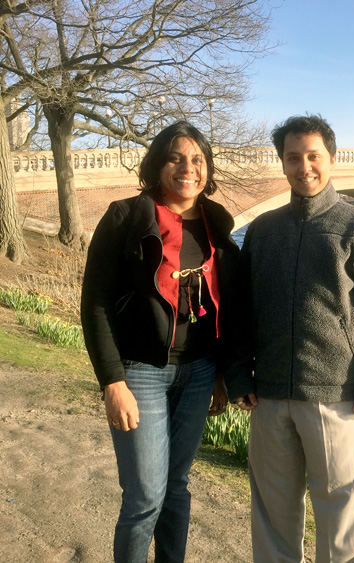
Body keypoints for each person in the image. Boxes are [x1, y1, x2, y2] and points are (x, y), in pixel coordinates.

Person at [226, 114, 354, 562]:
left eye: (313, 156)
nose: (303, 167)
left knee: (341, 522)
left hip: (340, 400)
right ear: (282, 162)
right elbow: (240, 310)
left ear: (331, 158)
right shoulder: (263, 230)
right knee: (272, 518)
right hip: (270, 398)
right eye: (293, 158)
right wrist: (238, 374)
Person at [81, 120, 238, 562]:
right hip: (140, 373)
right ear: (157, 165)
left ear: (207, 169)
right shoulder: (125, 216)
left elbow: (226, 302)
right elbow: (95, 303)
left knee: (176, 488)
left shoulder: (216, 223)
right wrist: (112, 382)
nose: (188, 168)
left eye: (197, 160)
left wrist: (222, 373)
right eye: (175, 158)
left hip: (200, 370)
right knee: (145, 496)